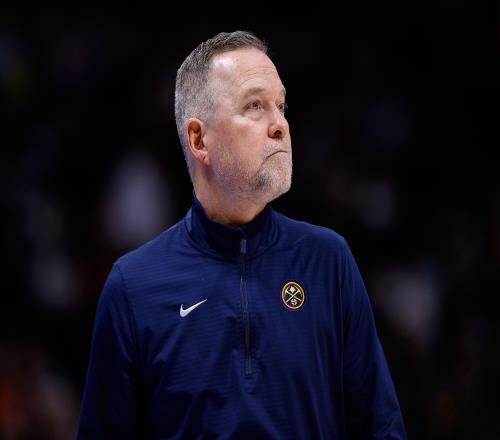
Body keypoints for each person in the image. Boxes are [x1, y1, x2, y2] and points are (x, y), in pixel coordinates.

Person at [77, 30, 407, 439]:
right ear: (199, 139)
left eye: (281, 106)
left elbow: (381, 428)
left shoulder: (328, 260)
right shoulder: (134, 286)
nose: (280, 125)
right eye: (255, 106)